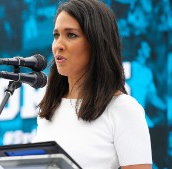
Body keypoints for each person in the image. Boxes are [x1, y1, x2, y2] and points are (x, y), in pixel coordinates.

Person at [33, 0, 152, 169]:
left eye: (71, 35)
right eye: (56, 35)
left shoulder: (124, 109)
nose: (58, 45)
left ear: (97, 42)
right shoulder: (48, 109)